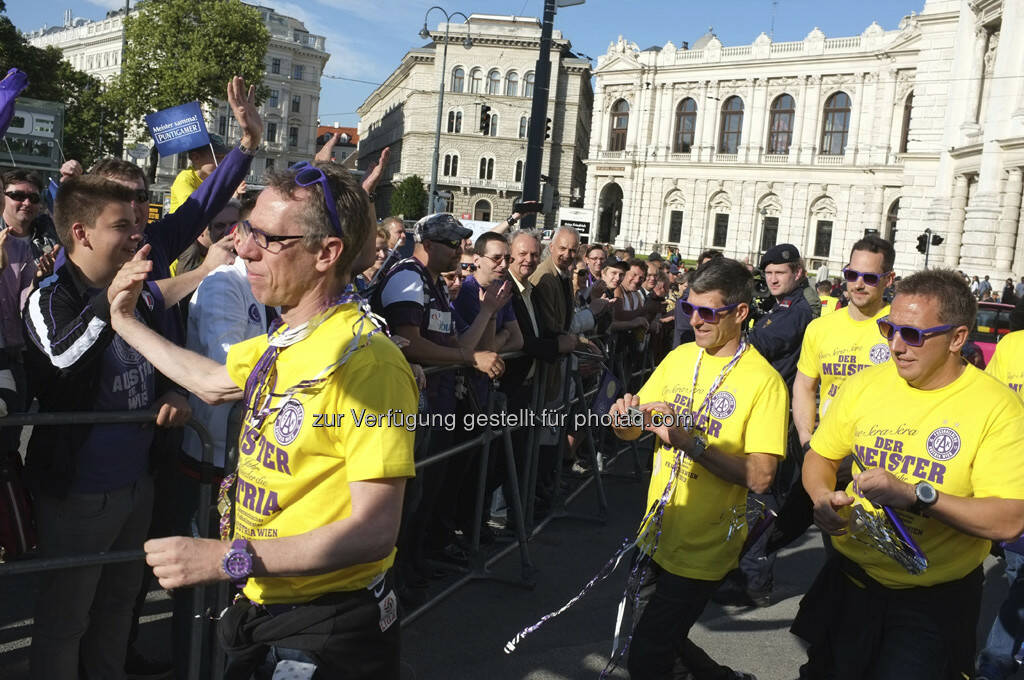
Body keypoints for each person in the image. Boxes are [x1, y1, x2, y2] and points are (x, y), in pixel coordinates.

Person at [109, 160, 416, 679]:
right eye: (249, 229)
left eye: (270, 240)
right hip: (267, 611)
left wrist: (224, 558)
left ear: (327, 253)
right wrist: (123, 319)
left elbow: (374, 532)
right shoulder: (288, 337)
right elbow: (210, 380)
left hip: (325, 627)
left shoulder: (369, 363)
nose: (245, 248)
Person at [794, 269, 1024, 679]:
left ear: (957, 338)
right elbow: (822, 457)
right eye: (889, 329)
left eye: (913, 335)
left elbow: (1009, 519)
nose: (896, 346)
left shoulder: (997, 408)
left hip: (930, 603)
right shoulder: (866, 384)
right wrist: (821, 497)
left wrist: (917, 495)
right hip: (850, 583)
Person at [23, 175, 193, 679]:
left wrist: (174, 389)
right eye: (122, 225)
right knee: (65, 618)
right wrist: (108, 302)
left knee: (120, 604)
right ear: (82, 232)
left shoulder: (137, 291)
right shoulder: (49, 296)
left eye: (138, 223)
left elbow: (155, 356)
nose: (137, 235)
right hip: (79, 491)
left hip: (137, 483)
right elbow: (60, 363)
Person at [609, 257, 787, 680]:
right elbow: (637, 428)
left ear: (740, 312)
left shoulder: (763, 382)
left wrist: (689, 441)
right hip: (656, 531)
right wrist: (625, 419)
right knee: (659, 641)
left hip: (704, 546)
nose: (695, 321)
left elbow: (761, 476)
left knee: (648, 657)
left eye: (707, 312)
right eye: (689, 309)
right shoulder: (681, 356)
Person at [768, 235, 896, 553]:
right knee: (807, 526)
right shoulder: (822, 328)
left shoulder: (899, 328)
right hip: (824, 448)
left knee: (864, 547)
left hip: (876, 457)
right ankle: (747, 572)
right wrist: (805, 438)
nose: (859, 284)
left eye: (870, 277)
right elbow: (804, 385)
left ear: (889, 279)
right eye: (852, 275)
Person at [716, 243, 812, 607]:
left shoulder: (795, 312)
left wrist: (728, 326)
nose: (772, 279)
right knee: (753, 496)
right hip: (763, 410)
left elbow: (760, 343)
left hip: (777, 415)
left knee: (762, 497)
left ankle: (754, 580)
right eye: (768, 273)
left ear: (797, 274)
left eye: (780, 273)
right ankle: (746, 572)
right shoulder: (779, 306)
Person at [168, 199, 240, 277]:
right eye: (220, 226)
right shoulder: (188, 251)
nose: (227, 231)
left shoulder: (242, 251)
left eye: (234, 225)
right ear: (203, 229)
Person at [168, 136, 230, 214]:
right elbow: (193, 210)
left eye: (223, 158)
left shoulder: (215, 180)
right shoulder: (185, 179)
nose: (221, 163)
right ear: (196, 158)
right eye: (217, 157)